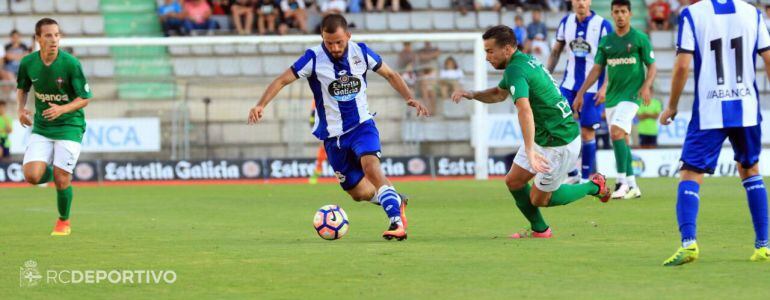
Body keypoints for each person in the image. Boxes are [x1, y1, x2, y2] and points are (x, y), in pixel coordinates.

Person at [248, 15, 429, 240]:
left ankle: (396, 222)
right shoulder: (313, 58)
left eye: (339, 42)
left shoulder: (361, 52)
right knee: (358, 193)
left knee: (371, 168)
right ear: (322, 38)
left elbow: (390, 74)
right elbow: (282, 80)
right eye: (329, 42)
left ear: (348, 36)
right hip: (333, 137)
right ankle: (395, 200)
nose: (334, 47)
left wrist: (409, 98)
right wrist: (261, 104)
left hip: (362, 126)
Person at [451, 25, 610, 239]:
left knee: (539, 199)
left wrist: (529, 150)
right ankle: (540, 230)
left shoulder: (516, 70)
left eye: (490, 51)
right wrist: (472, 94)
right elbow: (499, 94)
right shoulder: (521, 62)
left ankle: (593, 186)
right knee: (514, 181)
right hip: (546, 135)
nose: (487, 57)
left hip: (559, 140)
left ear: (507, 49)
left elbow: (524, 110)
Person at [660, 0, 770, 266]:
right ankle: (764, 246)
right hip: (746, 107)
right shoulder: (753, 14)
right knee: (750, 169)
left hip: (710, 110)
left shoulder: (692, 14)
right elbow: (768, 59)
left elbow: (682, 66)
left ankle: (689, 243)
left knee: (690, 173)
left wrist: (672, 105)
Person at [16, 18, 93, 236]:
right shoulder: (28, 62)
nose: (54, 40)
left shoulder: (70, 64)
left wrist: (62, 109)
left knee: (62, 179)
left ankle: (63, 221)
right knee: (32, 176)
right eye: (48, 35)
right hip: (42, 127)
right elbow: (22, 88)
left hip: (70, 125)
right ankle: (56, 173)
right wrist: (20, 109)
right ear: (38, 38)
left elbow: (85, 98)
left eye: (57, 35)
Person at [575, 0, 656, 200]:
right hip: (612, 97)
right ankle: (633, 185)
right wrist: (581, 92)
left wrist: (646, 86)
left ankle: (621, 183)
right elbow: (597, 69)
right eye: (616, 12)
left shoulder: (640, 38)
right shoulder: (606, 41)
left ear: (629, 14)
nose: (620, 15)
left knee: (616, 131)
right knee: (622, 138)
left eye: (623, 12)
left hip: (632, 95)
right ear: (612, 14)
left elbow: (652, 66)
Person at [547, 0, 612, 184]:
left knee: (587, 132)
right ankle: (572, 172)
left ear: (589, 1)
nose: (580, 2)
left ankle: (584, 178)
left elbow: (612, 58)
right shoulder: (565, 22)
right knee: (557, 126)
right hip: (568, 85)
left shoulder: (602, 25)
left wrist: (605, 86)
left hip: (593, 88)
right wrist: (545, 77)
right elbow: (555, 52)